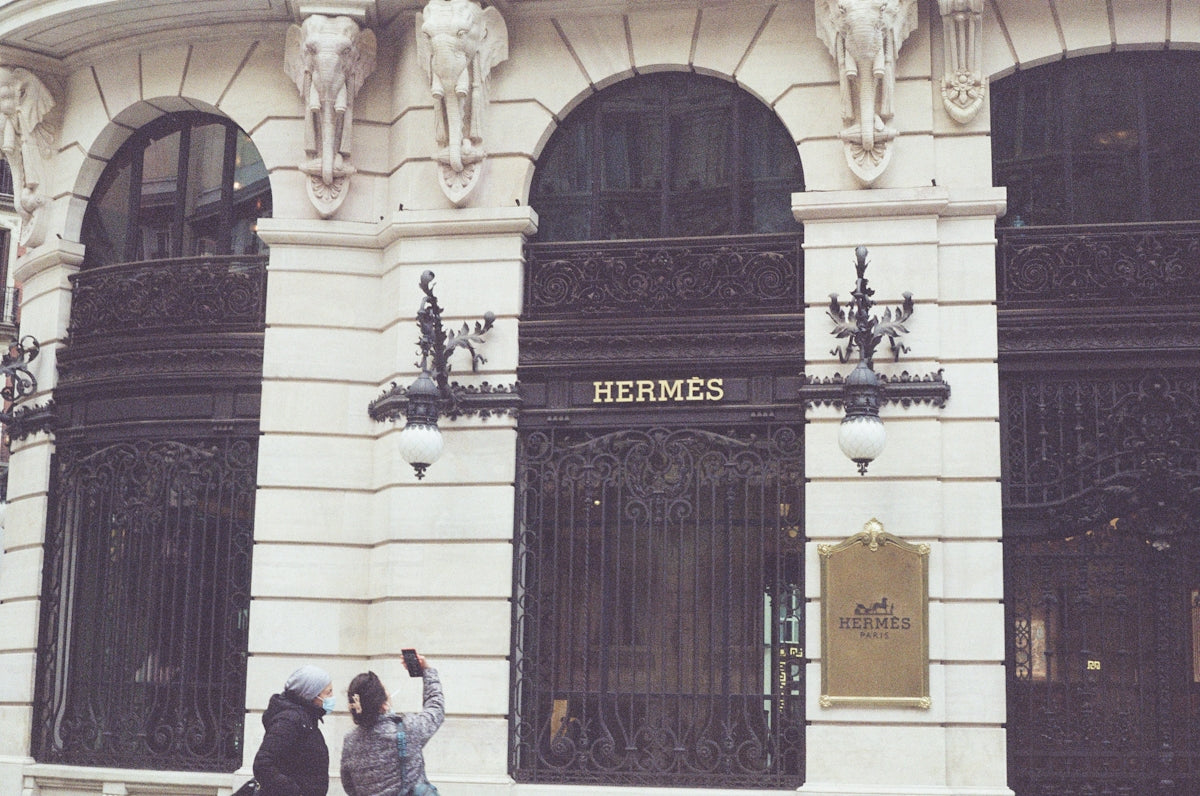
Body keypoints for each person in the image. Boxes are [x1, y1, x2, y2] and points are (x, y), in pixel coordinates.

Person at [340, 654, 445, 796]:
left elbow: (349, 785)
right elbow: (435, 708)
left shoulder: (350, 741)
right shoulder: (408, 728)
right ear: (383, 705)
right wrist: (427, 671)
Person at [254, 664, 335, 796]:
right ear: (312, 694)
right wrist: (295, 792)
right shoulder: (289, 721)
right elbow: (263, 764)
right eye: (328, 692)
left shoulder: (306, 719)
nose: (332, 696)